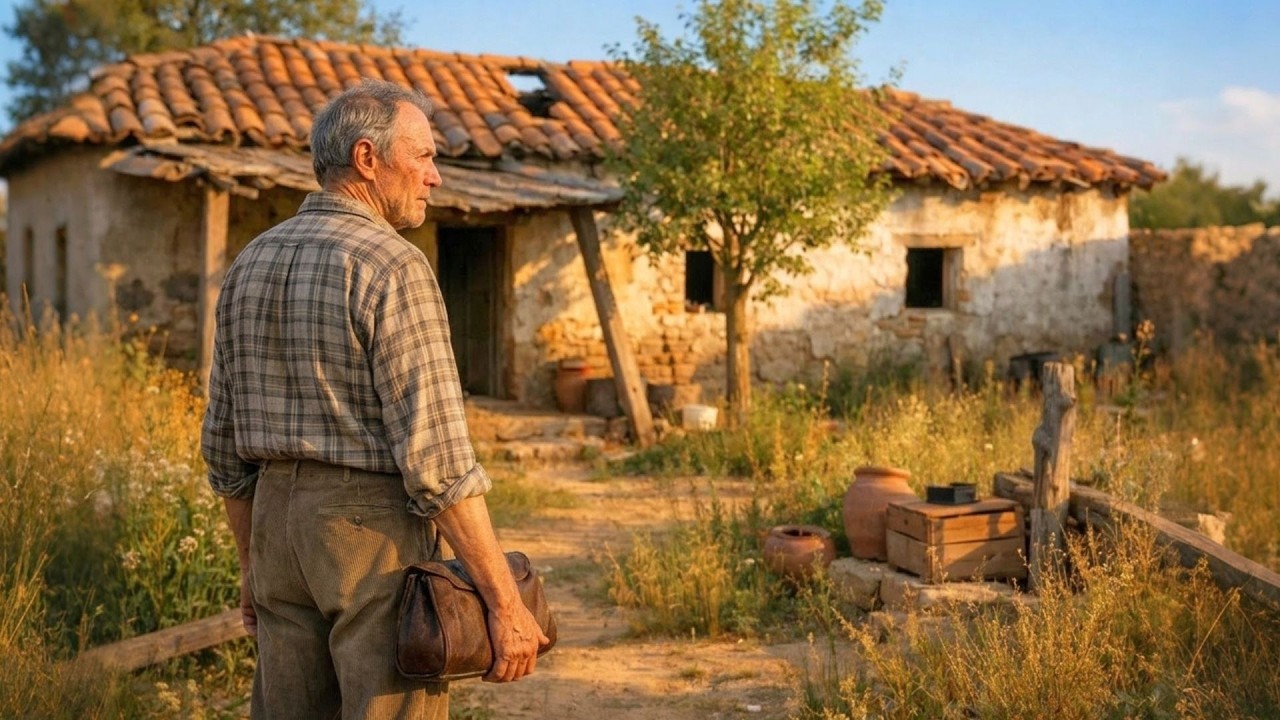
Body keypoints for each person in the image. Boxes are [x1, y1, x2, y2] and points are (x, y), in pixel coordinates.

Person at [201, 78, 548, 719]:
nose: (435, 176)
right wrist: (505, 602)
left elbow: (222, 445)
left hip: (275, 523)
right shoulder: (392, 265)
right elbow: (439, 463)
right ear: (367, 157)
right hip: (368, 536)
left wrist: (252, 565)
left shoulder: (249, 261)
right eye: (424, 156)